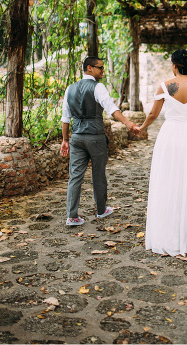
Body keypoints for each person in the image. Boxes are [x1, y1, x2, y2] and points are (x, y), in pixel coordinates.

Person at [134, 49, 187, 256]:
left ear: (174, 65)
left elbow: (153, 114)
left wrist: (142, 128)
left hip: (169, 137)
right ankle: (185, 234)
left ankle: (167, 232)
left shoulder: (166, 86)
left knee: (167, 181)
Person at [60, 56, 140, 226]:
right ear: (89, 68)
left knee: (75, 176)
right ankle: (101, 210)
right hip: (95, 137)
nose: (103, 71)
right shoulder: (98, 87)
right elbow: (112, 109)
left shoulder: (70, 89)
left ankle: (72, 216)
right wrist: (128, 123)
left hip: (76, 137)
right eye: (100, 68)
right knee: (98, 175)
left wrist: (65, 140)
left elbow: (65, 118)